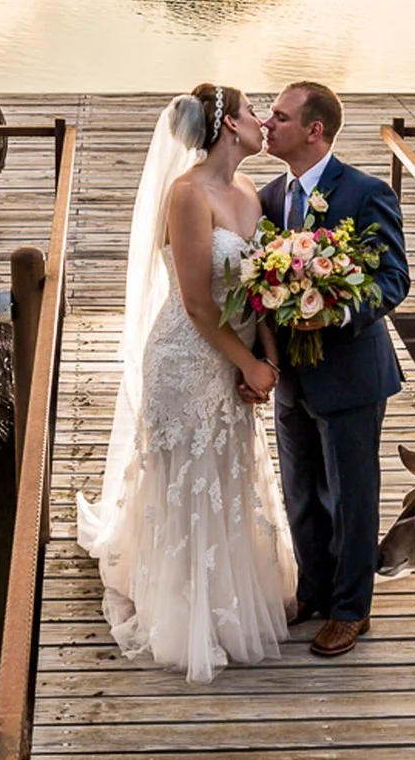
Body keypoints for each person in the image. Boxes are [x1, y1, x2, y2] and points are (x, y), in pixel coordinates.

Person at [75, 85, 298, 684]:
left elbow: (262, 288)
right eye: (251, 112)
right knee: (190, 477)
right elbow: (198, 303)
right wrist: (246, 363)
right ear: (228, 126)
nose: (261, 121)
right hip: (185, 357)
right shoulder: (187, 194)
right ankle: (183, 608)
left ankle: (233, 592)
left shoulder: (249, 190)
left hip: (238, 356)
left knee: (228, 473)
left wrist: (268, 359)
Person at [257, 81, 411, 657]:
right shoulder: (270, 197)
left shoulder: (366, 192)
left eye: (280, 116)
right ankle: (314, 590)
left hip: (351, 373)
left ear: (314, 129)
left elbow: (394, 278)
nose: (268, 124)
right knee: (301, 492)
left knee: (352, 497)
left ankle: (351, 609)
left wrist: (339, 311)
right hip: (291, 377)